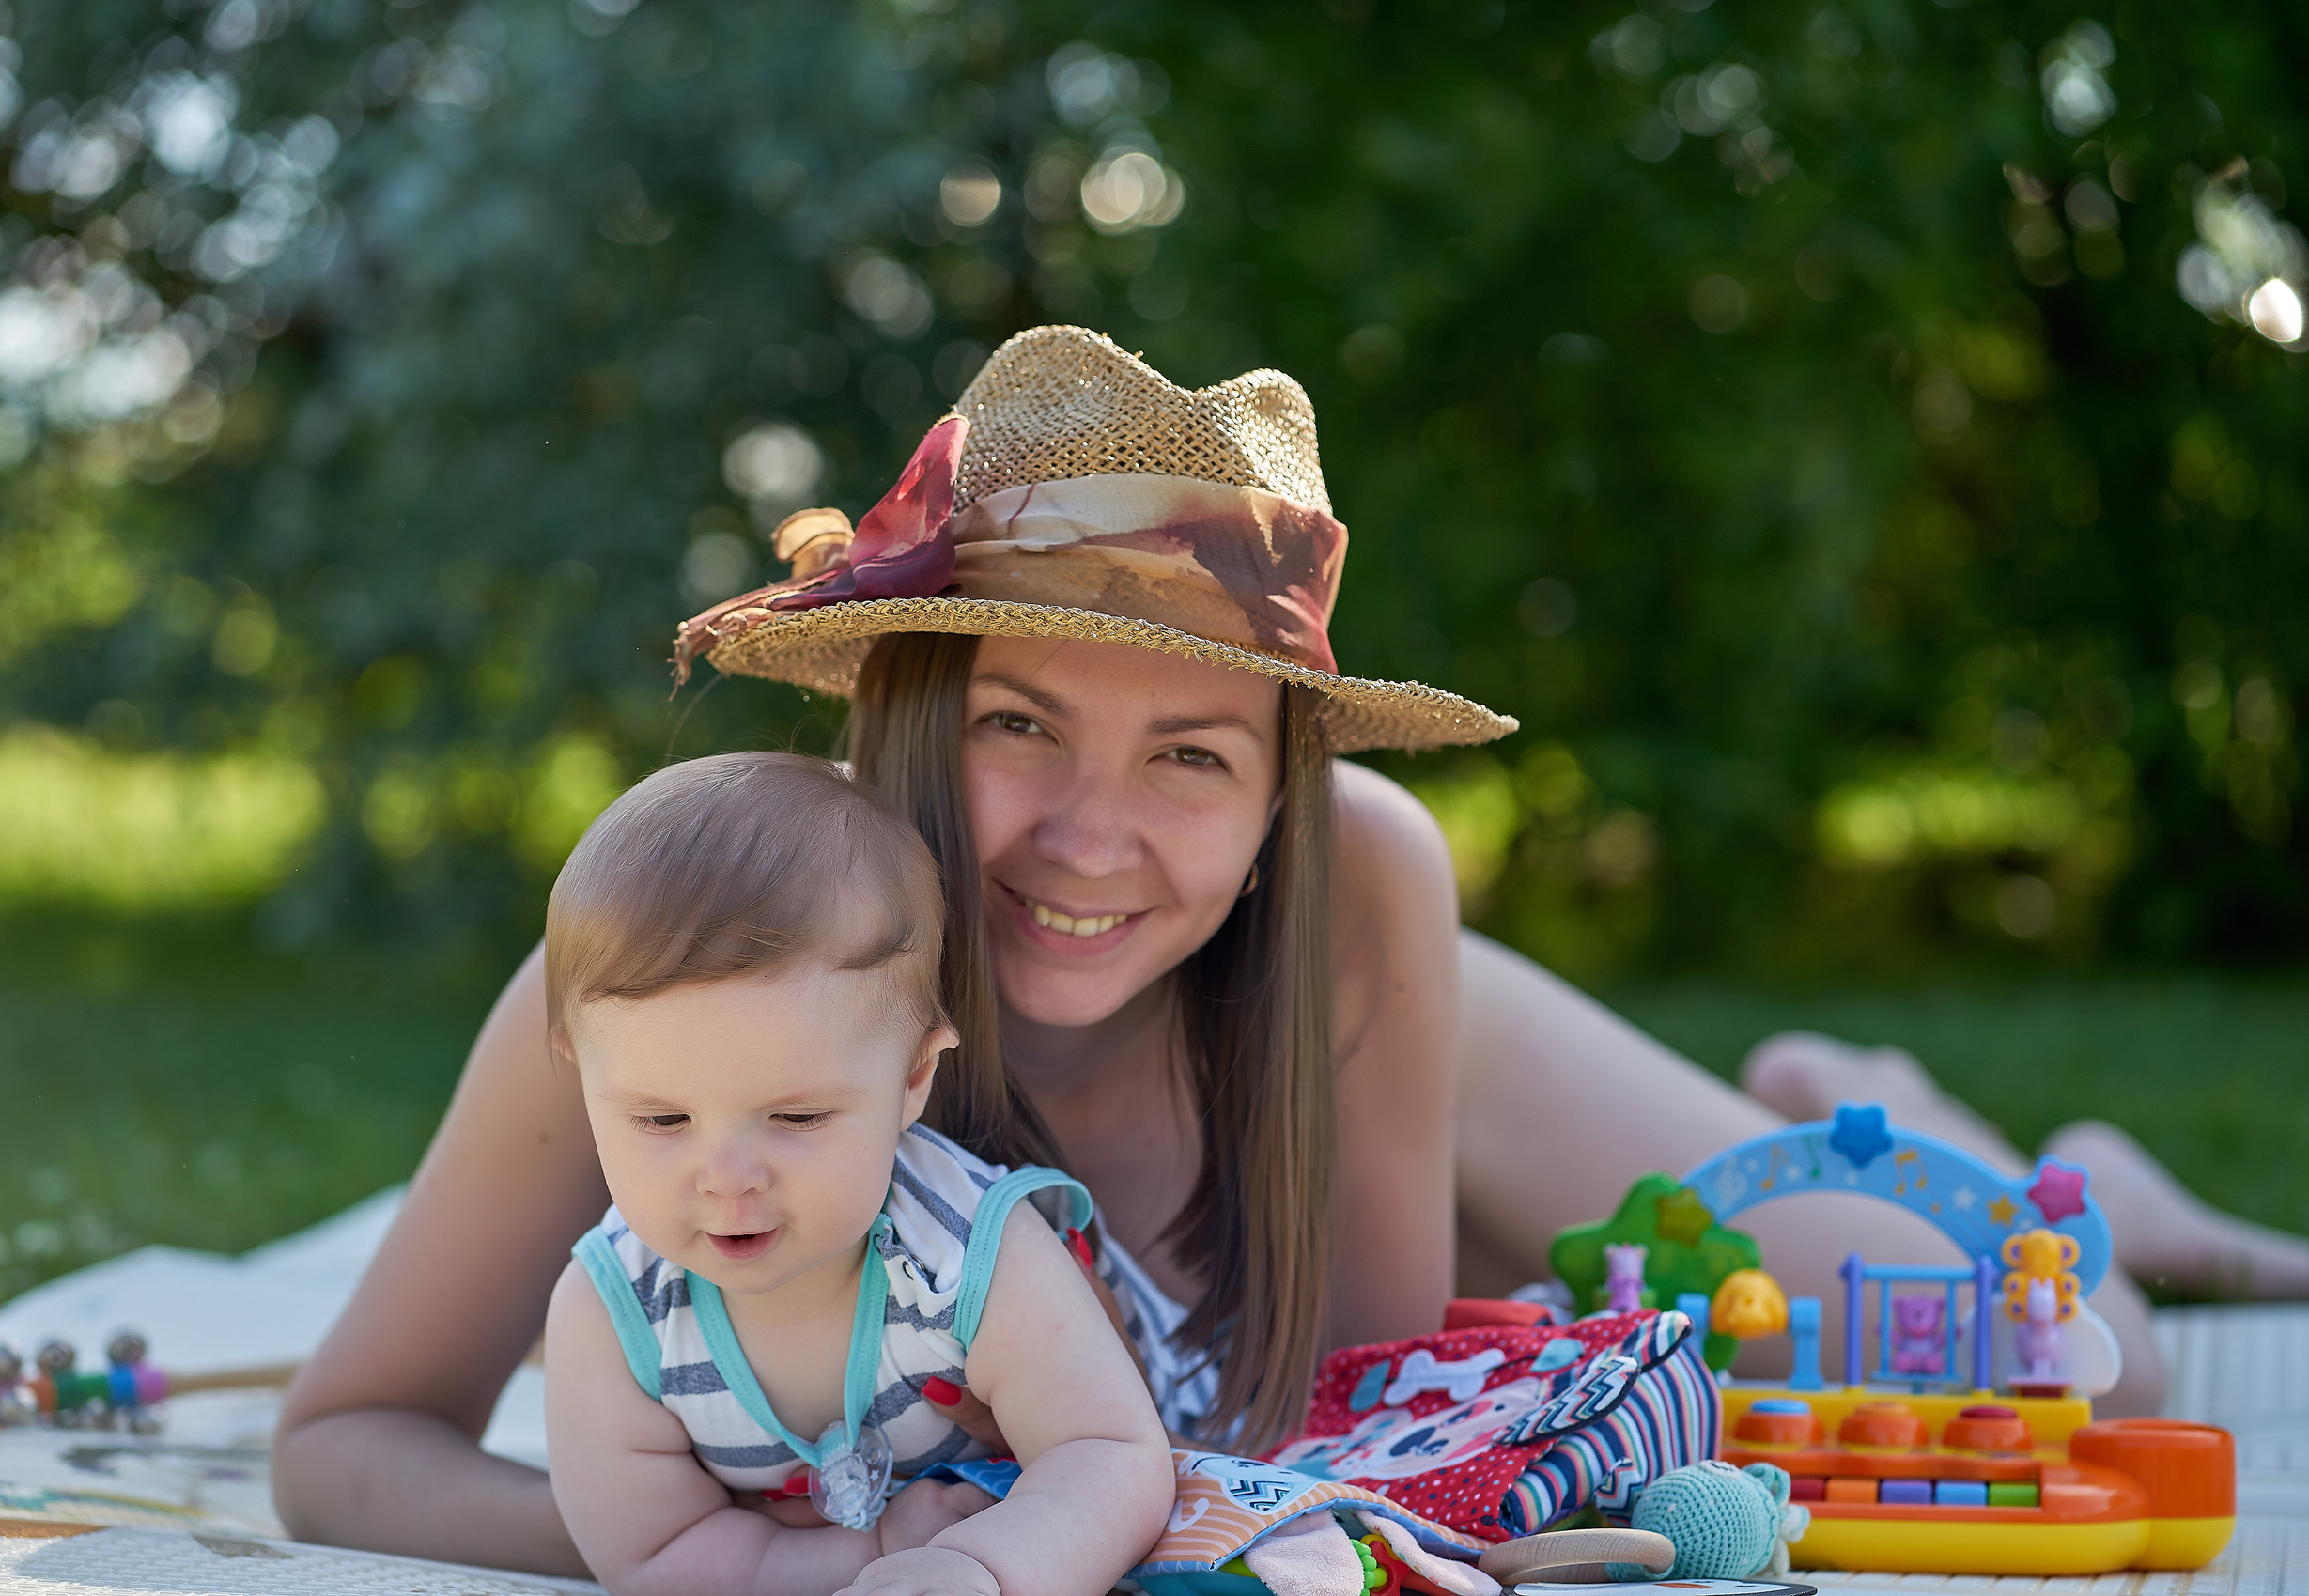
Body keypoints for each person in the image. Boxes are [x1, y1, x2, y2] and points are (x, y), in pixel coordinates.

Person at [274, 327, 2309, 1576]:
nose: (1089, 838)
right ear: (898, 716)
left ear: (1276, 794)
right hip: (1306, 1201)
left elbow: (1367, 1419)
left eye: (1188, 753)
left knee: (2064, 1345)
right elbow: (340, 1443)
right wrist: (684, 1545)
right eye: (1010, 726)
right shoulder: (685, 991)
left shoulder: (1353, 881)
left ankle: (1993, 1145)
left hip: (1369, 1045)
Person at [538, 752, 1169, 1596]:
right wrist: (870, 1562)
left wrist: (980, 1568)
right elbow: (655, 1554)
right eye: (661, 1119)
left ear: (912, 1079)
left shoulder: (968, 1255)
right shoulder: (616, 1317)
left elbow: (1113, 1452)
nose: (727, 1179)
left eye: (796, 1117)